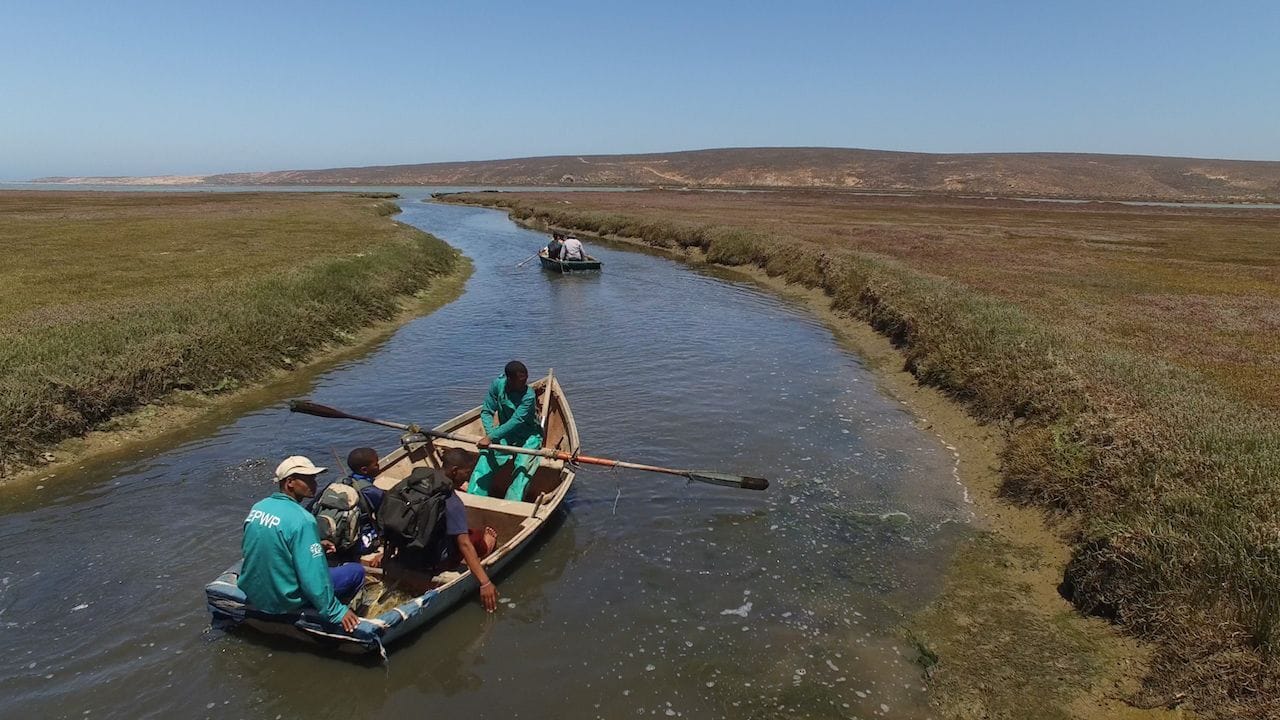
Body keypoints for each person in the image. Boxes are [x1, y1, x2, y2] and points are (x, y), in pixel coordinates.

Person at [240, 455, 362, 632]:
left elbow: (268, 544)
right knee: (356, 571)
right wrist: (335, 611)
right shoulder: (303, 520)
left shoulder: (259, 507)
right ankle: (342, 614)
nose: (314, 484)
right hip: (285, 600)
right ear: (290, 482)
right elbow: (313, 576)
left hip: (255, 593)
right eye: (309, 480)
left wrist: (316, 545)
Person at [469, 360, 543, 501]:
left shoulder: (529, 395)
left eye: (525, 380)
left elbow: (516, 421)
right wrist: (492, 435)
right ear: (509, 379)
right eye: (519, 381)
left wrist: (490, 437)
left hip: (529, 435)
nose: (523, 385)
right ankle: (474, 499)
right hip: (505, 434)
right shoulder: (498, 385)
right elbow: (486, 412)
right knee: (485, 458)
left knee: (522, 468)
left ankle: (511, 505)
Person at [438, 447, 500, 612]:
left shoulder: (418, 482)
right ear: (454, 471)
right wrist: (485, 582)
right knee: (474, 537)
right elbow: (464, 544)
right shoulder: (453, 502)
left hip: (412, 548)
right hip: (436, 559)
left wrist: (385, 554)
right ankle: (486, 547)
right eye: (466, 473)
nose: (468, 477)